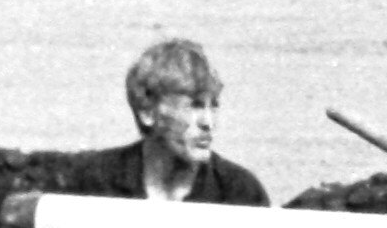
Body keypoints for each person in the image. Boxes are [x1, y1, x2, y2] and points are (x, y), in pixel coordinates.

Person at [72, 38, 269, 205]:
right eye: (194, 106)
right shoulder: (96, 181)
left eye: (214, 106)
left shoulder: (238, 192)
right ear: (147, 112)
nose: (208, 123)